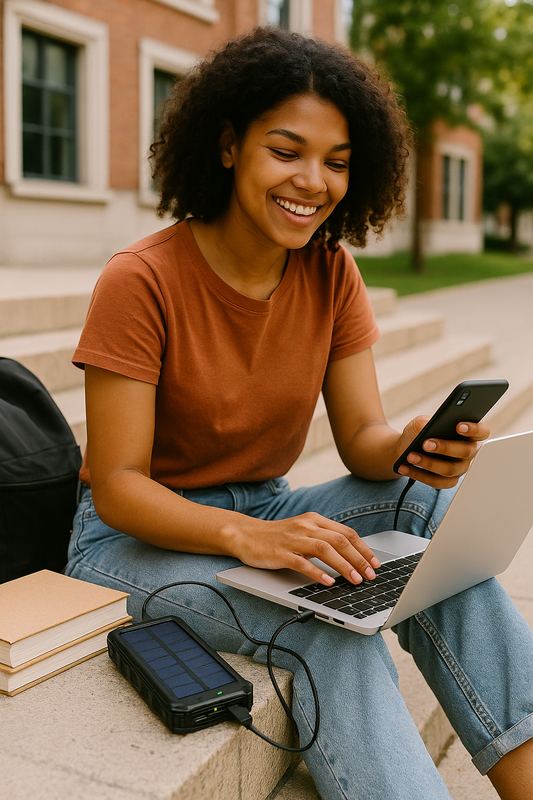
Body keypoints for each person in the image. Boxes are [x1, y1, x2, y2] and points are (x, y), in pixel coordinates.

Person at [66, 26, 533, 800]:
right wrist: (245, 536)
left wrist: (412, 447)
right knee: (326, 624)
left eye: (336, 162)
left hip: (265, 506)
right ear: (228, 147)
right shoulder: (140, 280)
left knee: (434, 525)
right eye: (286, 151)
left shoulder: (330, 272)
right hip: (130, 544)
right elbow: (117, 486)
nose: (312, 181)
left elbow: (362, 441)